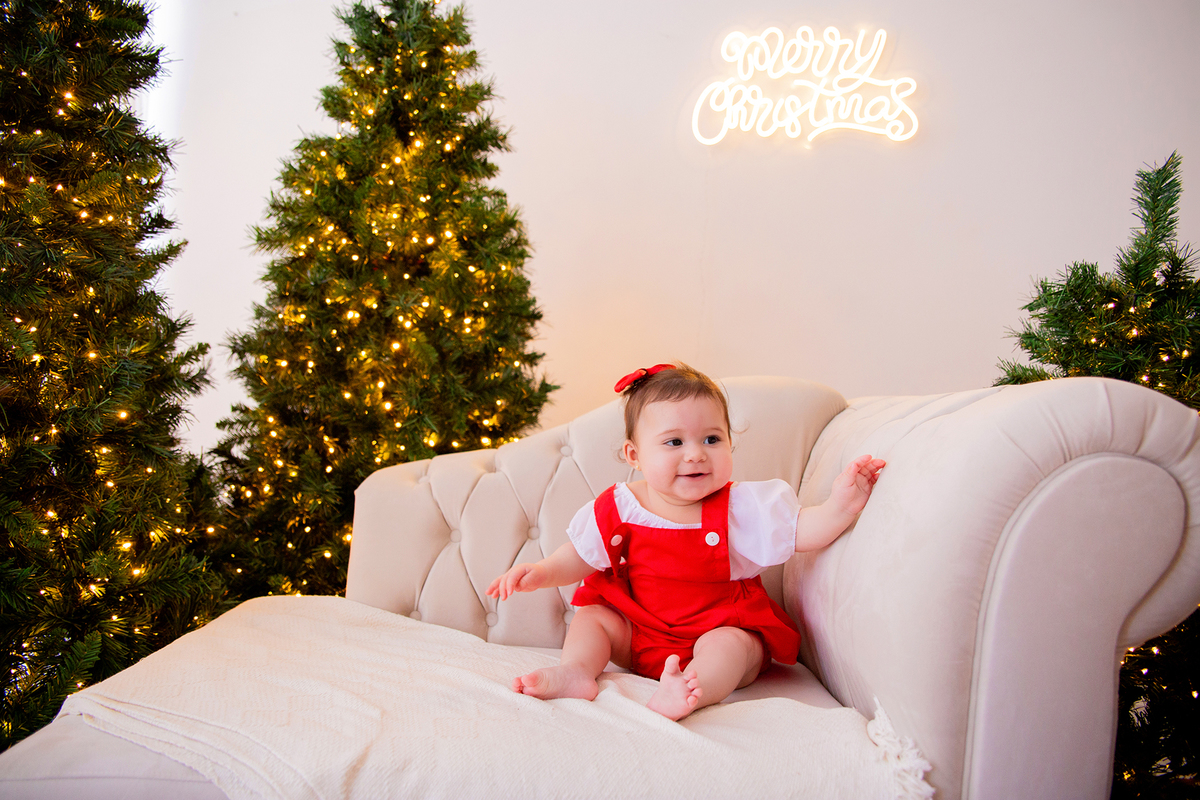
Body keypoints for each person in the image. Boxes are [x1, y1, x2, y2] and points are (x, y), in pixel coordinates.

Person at [486, 363, 884, 721]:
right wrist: (541, 572)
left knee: (732, 646)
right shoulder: (619, 507)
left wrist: (840, 507)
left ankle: (694, 691)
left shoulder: (740, 507)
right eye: (674, 443)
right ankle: (577, 672)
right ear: (634, 455)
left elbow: (802, 530)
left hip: (718, 624)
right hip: (639, 629)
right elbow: (580, 556)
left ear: (730, 442)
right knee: (594, 617)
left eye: (711, 439)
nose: (696, 455)